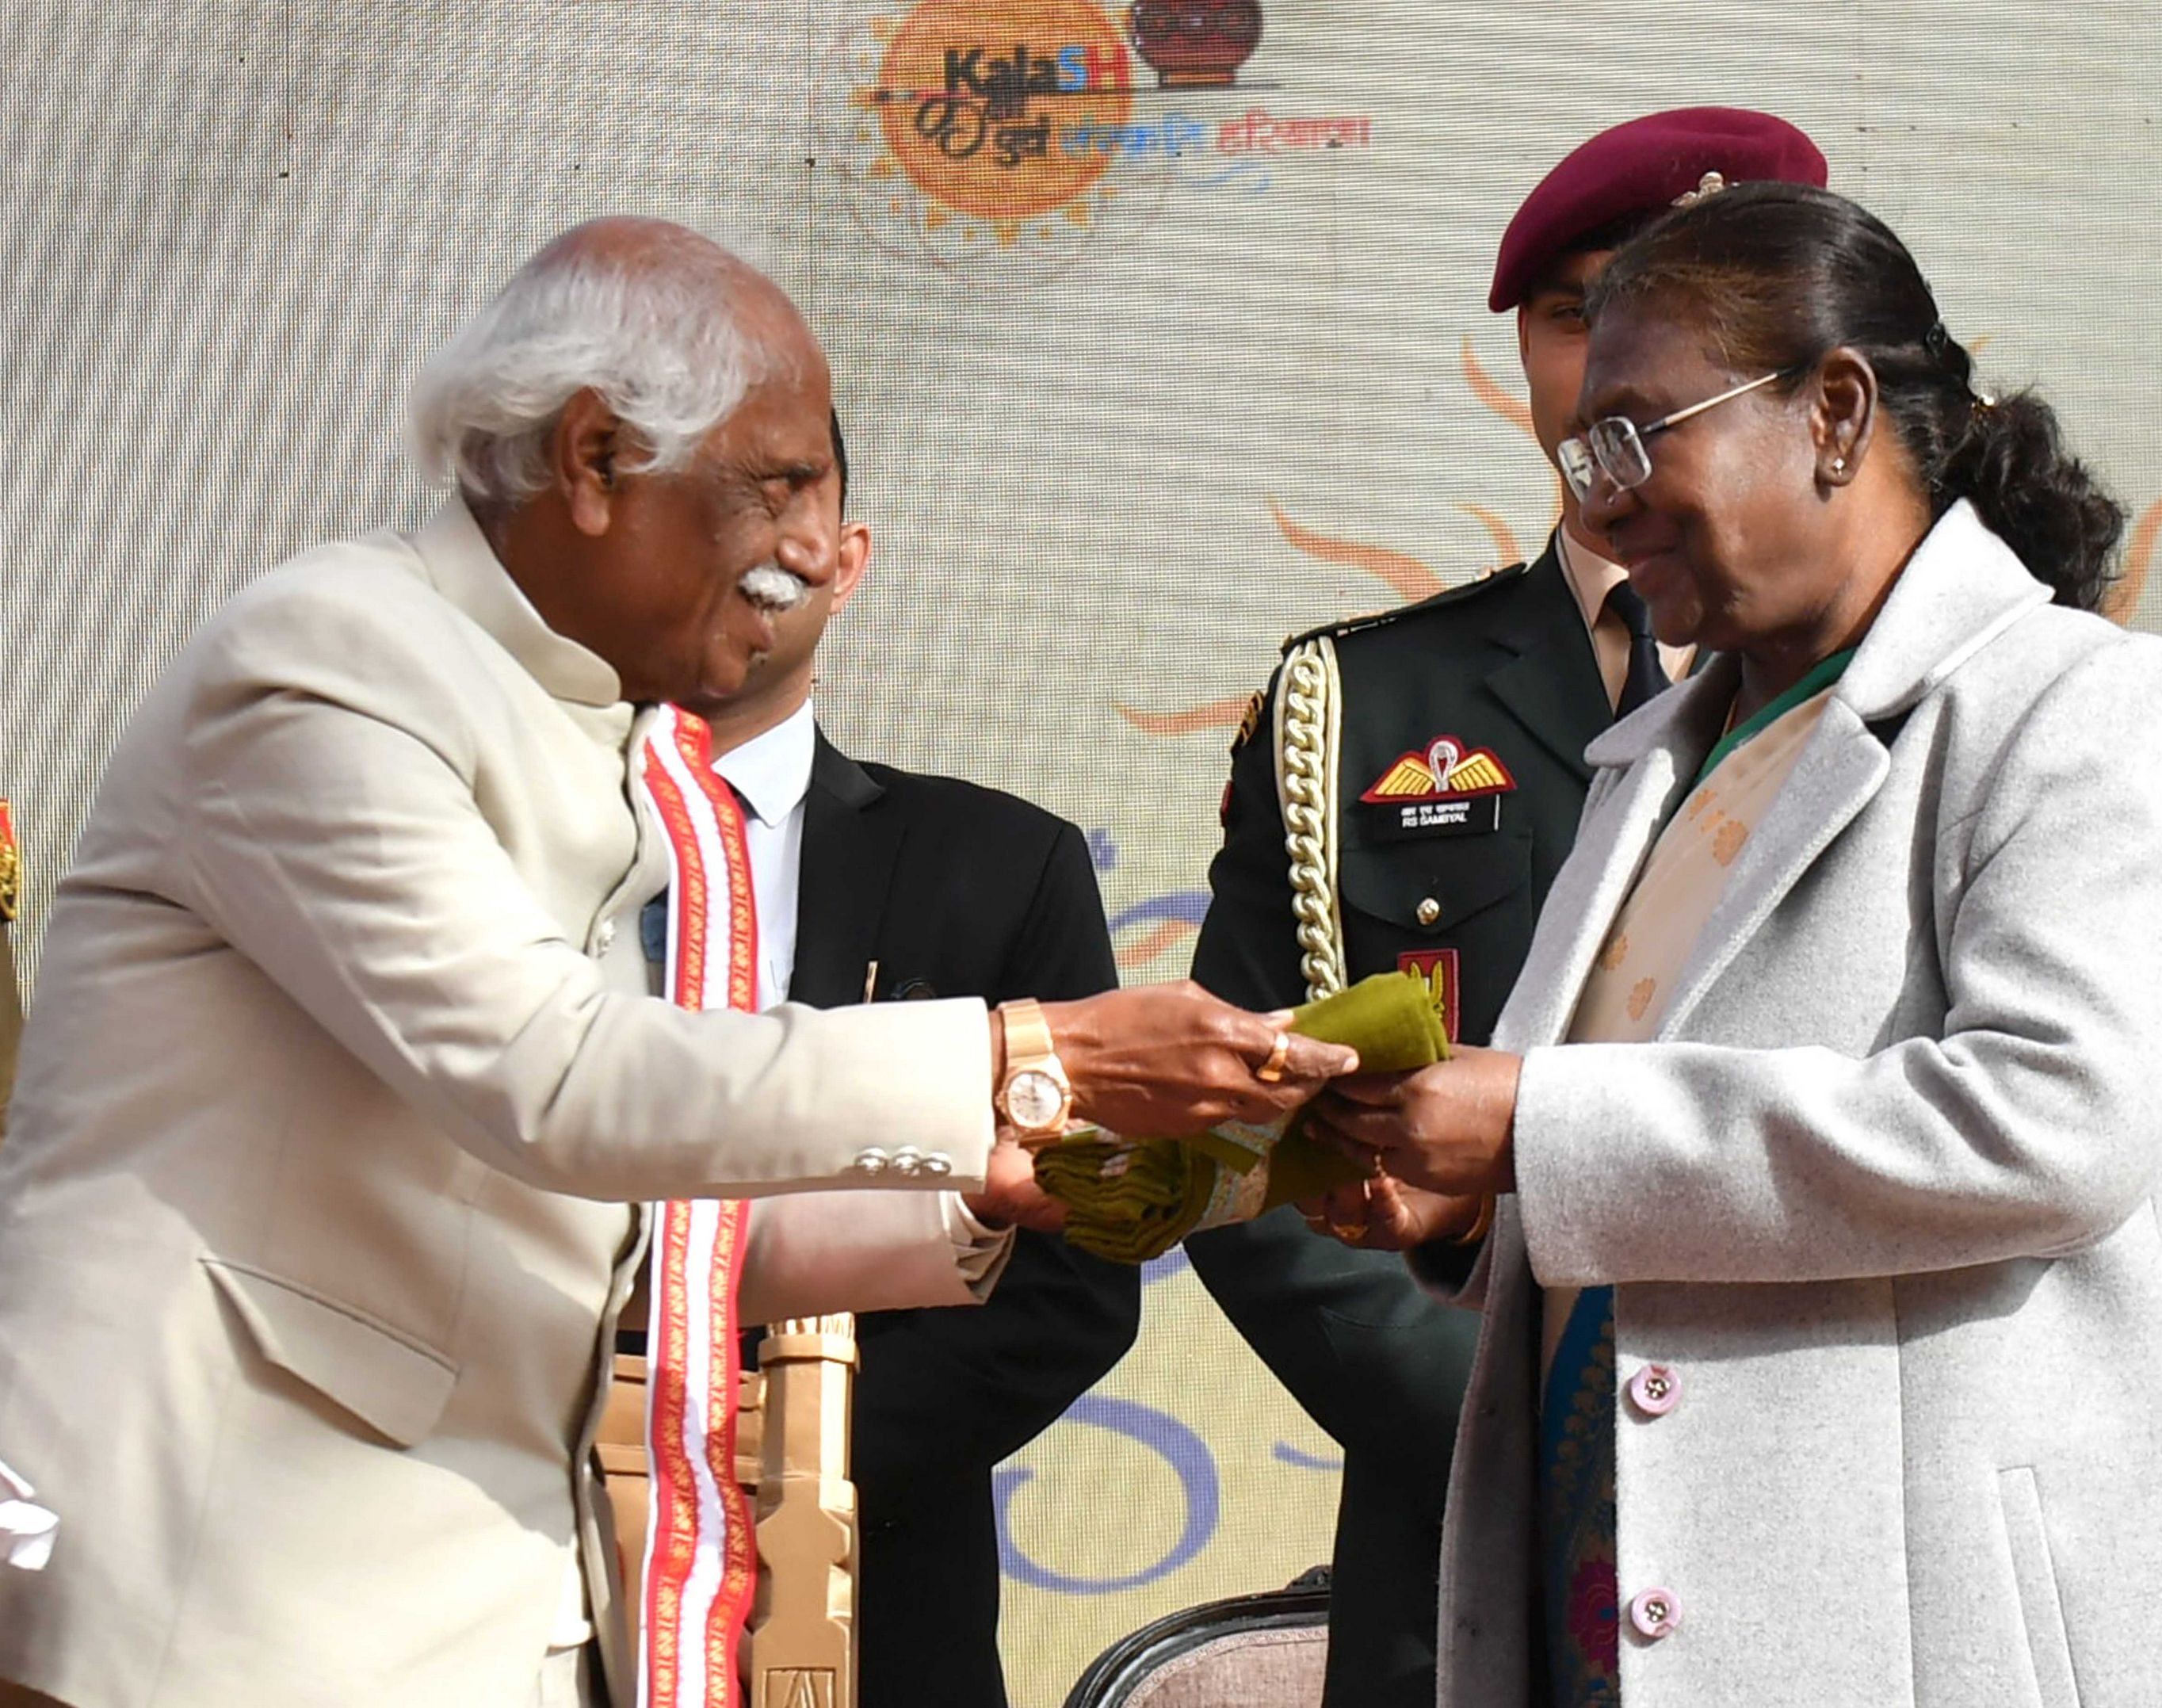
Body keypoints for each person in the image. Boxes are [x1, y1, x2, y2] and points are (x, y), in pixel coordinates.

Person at [0, 216, 1354, 1708]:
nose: (808, 549)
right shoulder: (335, 661)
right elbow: (562, 1082)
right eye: (776, 486)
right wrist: (1034, 1053)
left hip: (439, 1591)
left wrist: (978, 1187)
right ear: (594, 460)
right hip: (228, 1581)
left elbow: (617, 1218)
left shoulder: (583, 718)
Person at [1303, 181, 2162, 1705]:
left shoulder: (2082, 705)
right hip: (1671, 1622)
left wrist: (1533, 1126)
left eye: (1639, 439)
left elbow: (2058, 1122)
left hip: (1995, 1654)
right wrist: (1468, 1206)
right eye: (1583, 458)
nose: (1600, 506)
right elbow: (1634, 1180)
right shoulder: (1654, 767)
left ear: (1834, 411)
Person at [1182, 109, 1827, 1707]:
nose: (1621, 357)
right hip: (1460, 1554)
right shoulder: (1357, 707)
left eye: (1680, 309)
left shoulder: (1928, 697)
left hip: (1822, 1510)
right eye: (1575, 312)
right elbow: (1253, 1152)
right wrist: (1528, 1429)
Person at [678, 411, 1140, 1708]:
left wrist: (780, 1472)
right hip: (511, 1570)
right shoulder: (481, 855)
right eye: (692, 495)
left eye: (784, 494)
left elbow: (1072, 1283)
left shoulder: (1000, 866)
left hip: (877, 1601)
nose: (741, 540)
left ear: (846, 559)